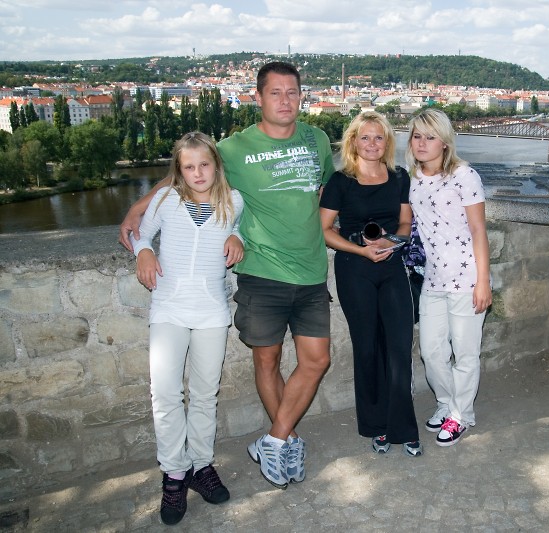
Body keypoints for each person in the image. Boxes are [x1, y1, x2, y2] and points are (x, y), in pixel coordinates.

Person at [120, 61, 335, 490]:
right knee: (267, 361)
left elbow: (328, 192)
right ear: (258, 97)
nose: (285, 100)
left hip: (312, 268)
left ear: (301, 96)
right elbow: (188, 173)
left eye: (292, 92)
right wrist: (138, 214)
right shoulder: (233, 148)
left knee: (317, 360)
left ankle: (274, 440)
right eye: (275, 92)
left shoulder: (319, 139)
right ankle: (282, 440)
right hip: (262, 271)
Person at [131, 132, 244, 525]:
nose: (198, 173)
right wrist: (143, 250)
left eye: (204, 164)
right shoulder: (165, 200)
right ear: (179, 170)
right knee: (164, 393)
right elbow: (141, 233)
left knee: (204, 394)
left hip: (212, 311)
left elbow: (237, 232)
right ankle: (174, 475)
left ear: (216, 164)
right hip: (170, 309)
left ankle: (200, 465)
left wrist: (237, 237)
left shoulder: (233, 202)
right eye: (189, 166)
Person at [319, 111, 423, 457]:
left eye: (379, 137)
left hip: (392, 267)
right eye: (365, 137)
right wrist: (362, 251)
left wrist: (391, 244)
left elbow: (406, 221)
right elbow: (325, 230)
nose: (372, 144)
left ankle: (404, 427)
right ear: (353, 142)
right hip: (354, 269)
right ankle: (376, 426)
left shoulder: (399, 178)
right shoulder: (340, 182)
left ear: (387, 142)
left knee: (398, 346)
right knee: (367, 348)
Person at [405, 108, 492, 447]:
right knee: (432, 350)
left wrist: (483, 281)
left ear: (444, 142)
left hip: (467, 278)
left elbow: (478, 229)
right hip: (432, 279)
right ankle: (446, 403)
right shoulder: (411, 178)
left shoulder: (463, 175)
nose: (422, 143)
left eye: (430, 136)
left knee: (466, 352)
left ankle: (461, 415)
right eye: (416, 136)